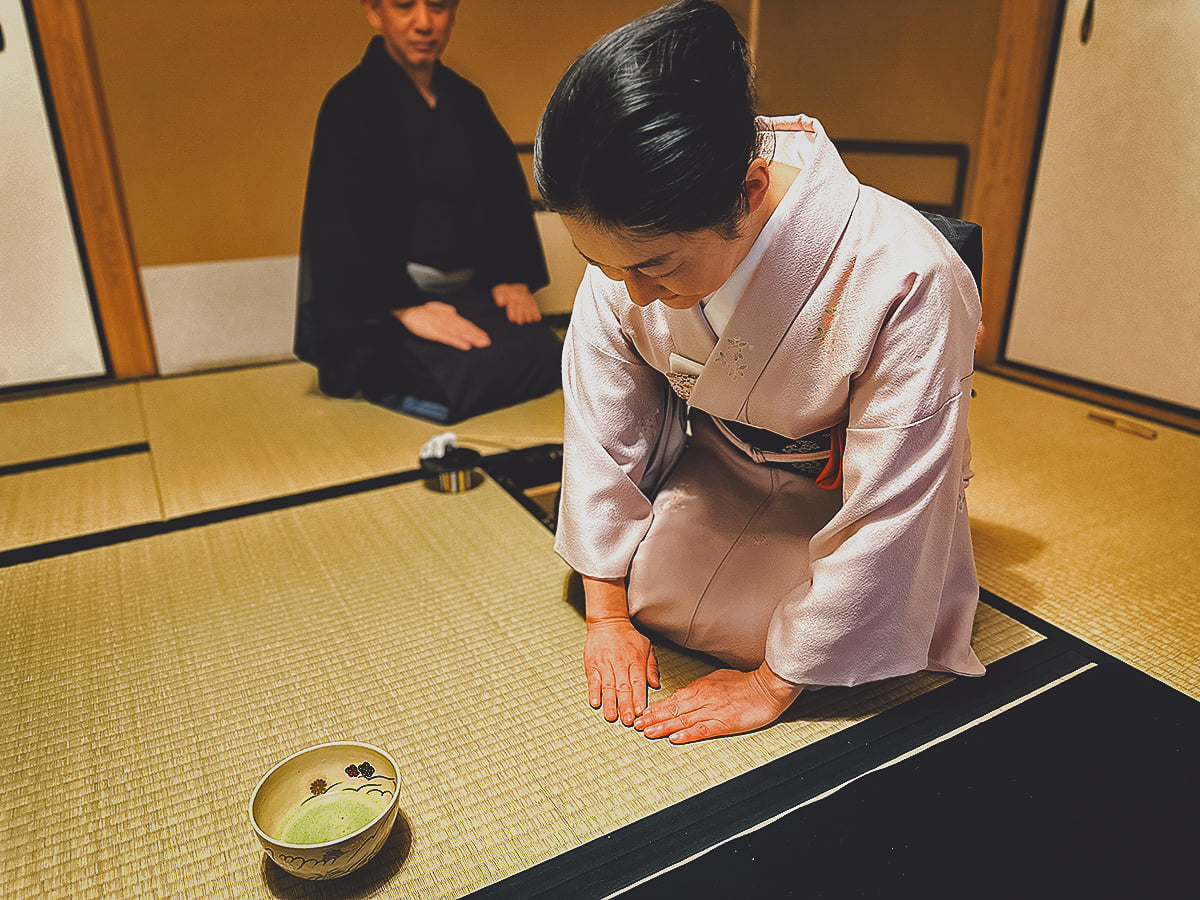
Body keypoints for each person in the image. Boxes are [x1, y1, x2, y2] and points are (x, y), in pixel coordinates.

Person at [534, 0, 985, 744]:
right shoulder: (627, 255)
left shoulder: (906, 274)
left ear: (748, 191)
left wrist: (771, 683)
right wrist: (606, 617)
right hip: (720, 461)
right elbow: (600, 432)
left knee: (806, 633)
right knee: (644, 589)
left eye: (656, 267)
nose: (632, 293)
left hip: (840, 489)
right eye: (602, 265)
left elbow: (896, 494)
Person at [295, 0, 562, 423]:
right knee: (462, 373)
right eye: (405, 5)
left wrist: (511, 275)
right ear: (374, 11)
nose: (424, 23)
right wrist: (403, 307)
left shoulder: (467, 100)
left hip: (468, 289)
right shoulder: (350, 103)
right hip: (384, 300)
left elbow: (503, 195)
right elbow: (340, 224)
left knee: (545, 354)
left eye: (437, 5)